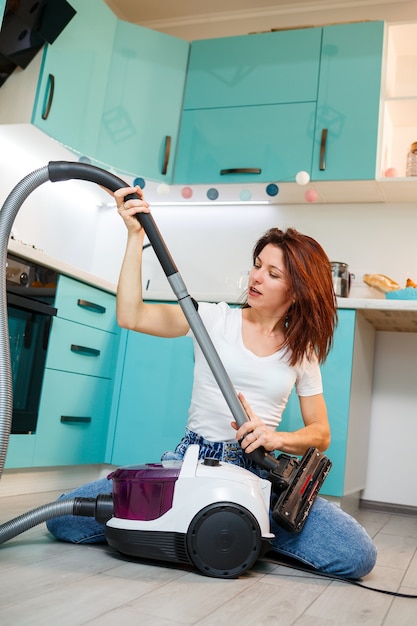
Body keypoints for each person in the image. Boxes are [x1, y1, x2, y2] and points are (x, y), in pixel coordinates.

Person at [46, 186, 377, 579]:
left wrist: (275, 438)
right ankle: (226, 536)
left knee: (358, 556)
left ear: (297, 291)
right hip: (191, 463)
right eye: (257, 265)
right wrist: (135, 237)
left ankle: (230, 532)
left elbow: (321, 433)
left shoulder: (301, 351)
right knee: (63, 518)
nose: (255, 277)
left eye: (272, 274)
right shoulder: (212, 319)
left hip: (257, 474)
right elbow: (131, 316)